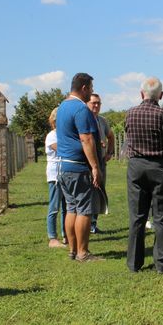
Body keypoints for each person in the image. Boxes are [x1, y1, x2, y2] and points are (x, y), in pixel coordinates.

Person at [124, 77, 163, 274]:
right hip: (159, 166)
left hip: (136, 166)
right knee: (161, 216)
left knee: (137, 216)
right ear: (161, 95)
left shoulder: (130, 113)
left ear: (141, 93)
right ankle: (162, 263)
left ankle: (134, 263)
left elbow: (128, 134)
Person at [56, 72, 104, 262]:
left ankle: (73, 250)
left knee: (71, 209)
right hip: (78, 167)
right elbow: (86, 138)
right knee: (84, 209)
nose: (91, 91)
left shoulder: (62, 107)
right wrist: (95, 166)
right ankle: (83, 253)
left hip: (63, 166)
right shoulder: (81, 109)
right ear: (84, 88)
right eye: (91, 88)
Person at [86, 93, 114, 234]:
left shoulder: (102, 121)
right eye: (93, 103)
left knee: (99, 192)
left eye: (98, 103)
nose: (96, 105)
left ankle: (93, 224)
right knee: (87, 193)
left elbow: (111, 136)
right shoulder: (83, 120)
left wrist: (109, 152)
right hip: (86, 164)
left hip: (101, 163)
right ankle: (85, 224)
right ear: (87, 104)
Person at [45, 107, 67, 248]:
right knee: (54, 207)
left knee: (67, 207)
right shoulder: (52, 135)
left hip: (66, 174)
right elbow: (63, 150)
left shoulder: (66, 135)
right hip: (55, 175)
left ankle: (66, 235)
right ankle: (52, 238)